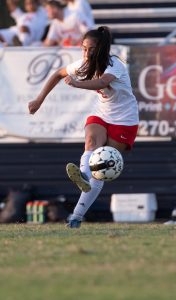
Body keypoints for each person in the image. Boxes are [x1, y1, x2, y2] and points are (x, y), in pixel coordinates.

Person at [28, 26, 139, 228]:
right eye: (84, 49)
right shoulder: (84, 64)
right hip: (102, 114)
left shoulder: (115, 65)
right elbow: (58, 74)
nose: (86, 53)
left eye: (91, 49)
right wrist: (39, 100)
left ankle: (76, 216)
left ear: (101, 49)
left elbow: (102, 82)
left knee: (101, 166)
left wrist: (77, 84)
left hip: (125, 120)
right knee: (90, 143)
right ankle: (83, 176)